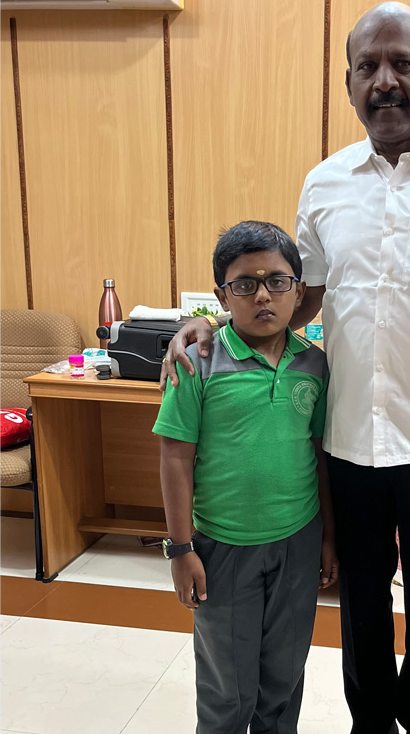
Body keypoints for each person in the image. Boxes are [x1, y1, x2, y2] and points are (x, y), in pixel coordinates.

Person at [161, 2, 410, 734]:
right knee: (360, 605)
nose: (385, 81)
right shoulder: (325, 184)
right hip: (348, 445)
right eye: (368, 67)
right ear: (349, 84)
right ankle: (371, 725)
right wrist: (209, 322)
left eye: (403, 64)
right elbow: (293, 299)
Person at [153, 220, 338, 734]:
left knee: (284, 677)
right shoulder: (198, 363)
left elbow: (320, 454)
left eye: (277, 281)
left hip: (297, 544)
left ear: (298, 291)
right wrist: (180, 549)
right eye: (244, 284)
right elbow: (175, 457)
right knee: (228, 689)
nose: (262, 295)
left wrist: (328, 537)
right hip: (223, 549)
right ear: (222, 296)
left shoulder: (315, 365)